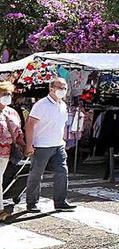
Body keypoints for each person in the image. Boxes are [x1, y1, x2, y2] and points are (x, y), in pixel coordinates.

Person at [24, 77, 76, 212]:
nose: (63, 91)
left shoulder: (63, 105)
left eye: (65, 88)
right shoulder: (41, 105)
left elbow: (62, 125)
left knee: (62, 172)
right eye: (60, 88)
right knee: (36, 174)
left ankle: (60, 201)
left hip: (58, 145)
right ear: (51, 88)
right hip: (42, 145)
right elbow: (29, 125)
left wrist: (64, 140)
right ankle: (32, 203)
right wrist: (29, 145)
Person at [0, 81, 25, 222]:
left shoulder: (12, 112)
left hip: (5, 152)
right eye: (4, 93)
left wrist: (25, 146)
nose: (7, 96)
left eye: (9, 94)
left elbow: (18, 133)